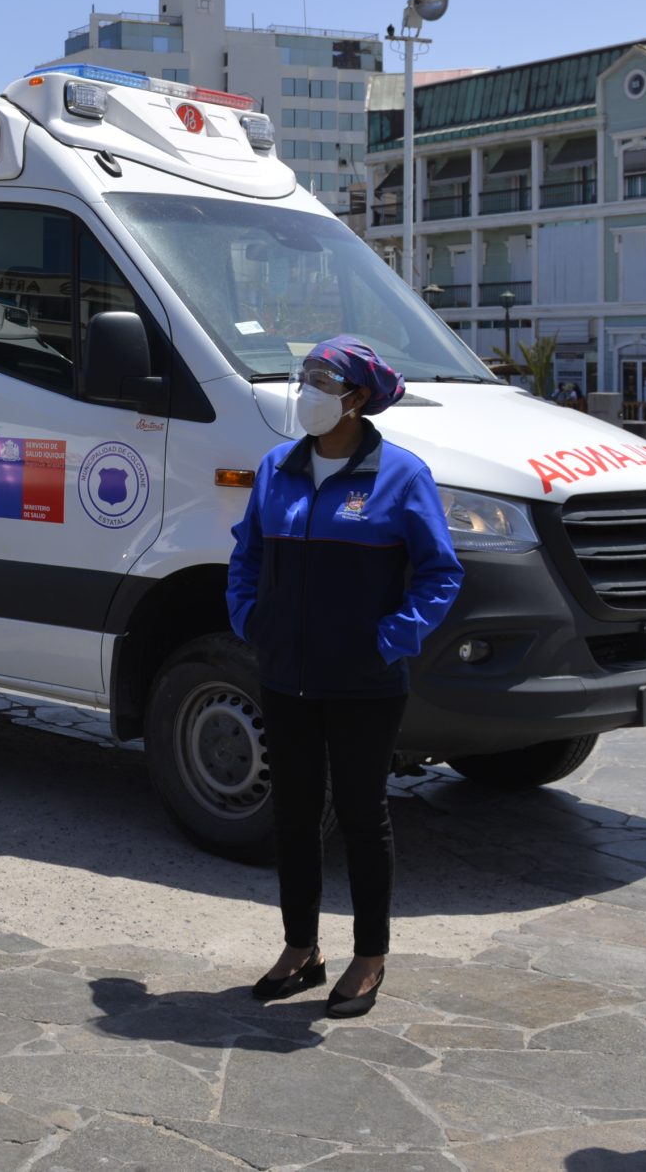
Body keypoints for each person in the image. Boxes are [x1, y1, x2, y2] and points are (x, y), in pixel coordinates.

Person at [228, 336, 463, 1019]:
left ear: (358, 397)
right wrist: (250, 618)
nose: (307, 390)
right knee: (294, 814)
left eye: (322, 380)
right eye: (303, 376)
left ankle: (370, 955)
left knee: (362, 815)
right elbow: (247, 555)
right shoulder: (276, 467)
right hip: (286, 675)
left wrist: (391, 639)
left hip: (365, 683)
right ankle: (300, 948)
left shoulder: (402, 474)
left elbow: (440, 573)